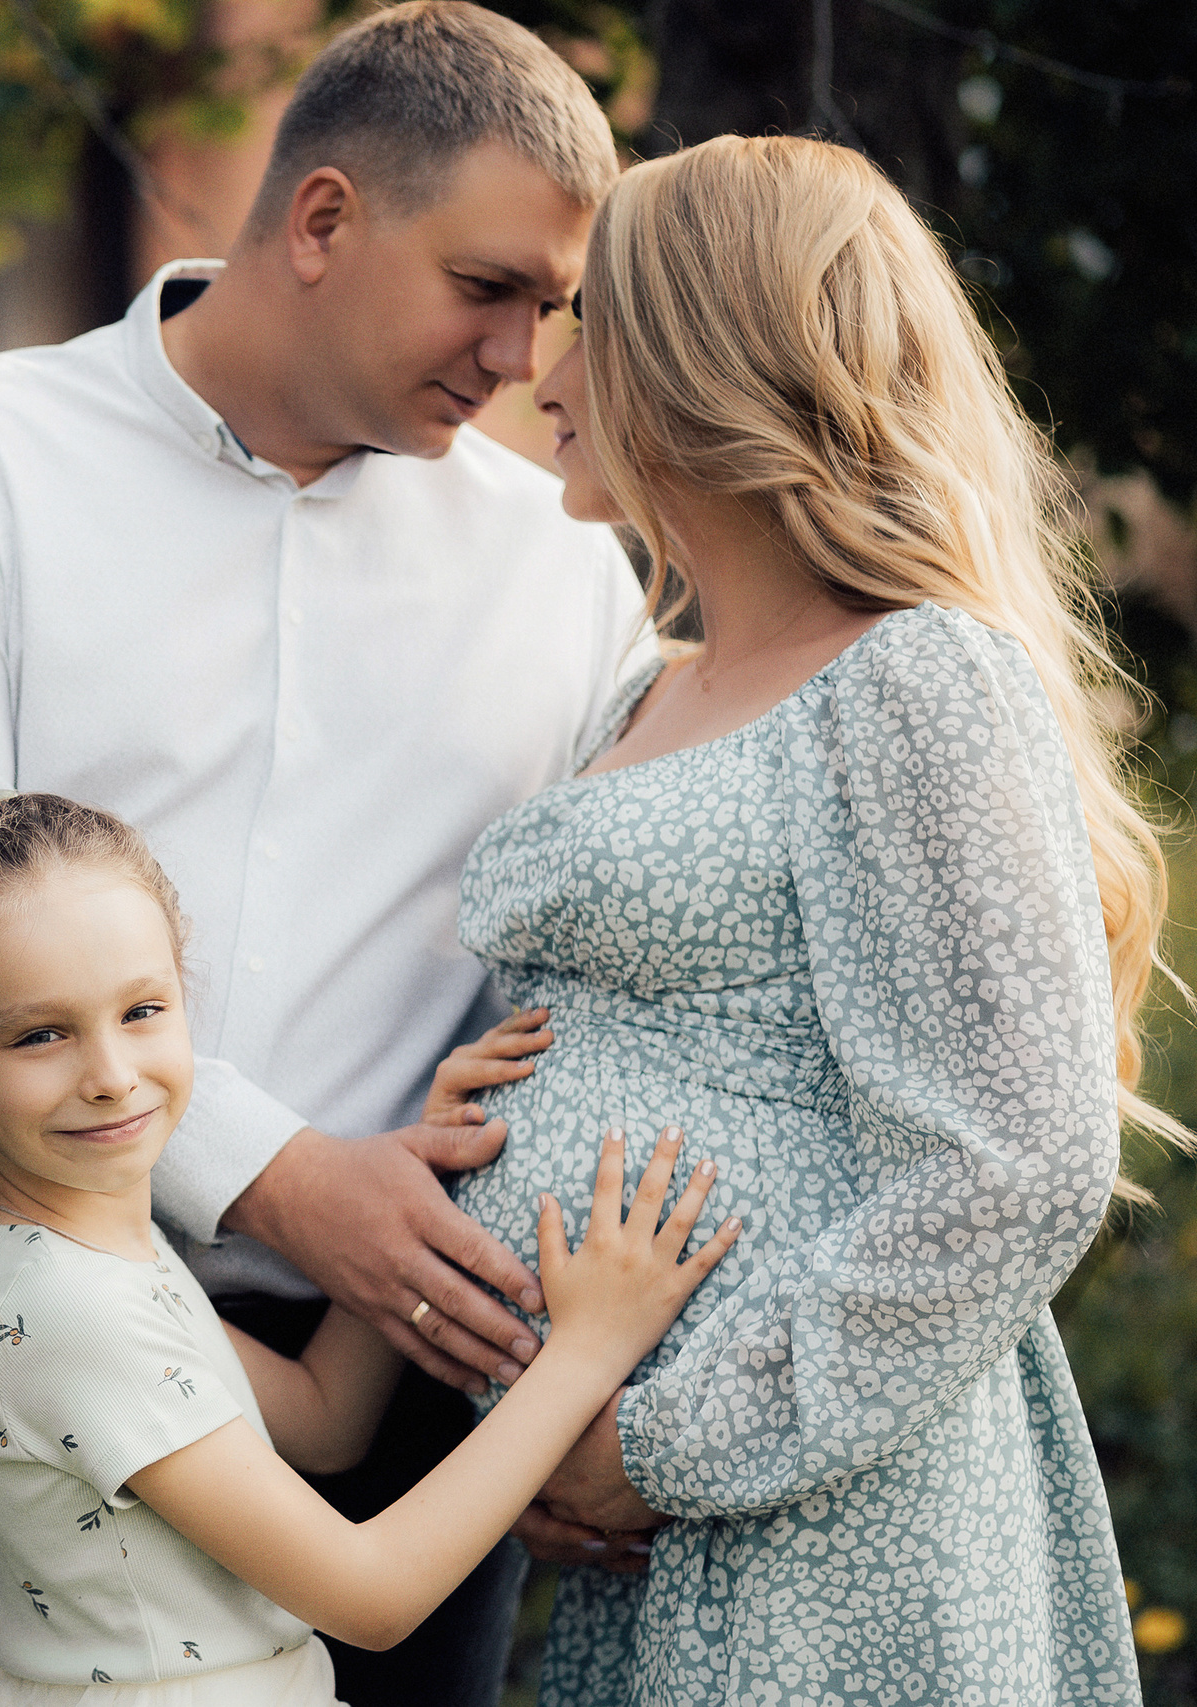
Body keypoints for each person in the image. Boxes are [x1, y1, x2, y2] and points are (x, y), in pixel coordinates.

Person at [0, 6, 650, 1701]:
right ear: (322, 220)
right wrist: (281, 1176)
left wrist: (558, 1366)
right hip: (23, 1354)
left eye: (554, 308)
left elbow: (599, 971)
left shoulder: (562, 574)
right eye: (489, 286)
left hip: (393, 1387)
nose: (523, 355)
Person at [446, 133, 1163, 1704]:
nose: (539, 366)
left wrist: (665, 1441)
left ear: (698, 350)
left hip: (824, 1513)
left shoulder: (914, 678)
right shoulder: (655, 686)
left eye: (589, 319)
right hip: (651, 1513)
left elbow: (1016, 1159)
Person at [0, 792, 740, 1707]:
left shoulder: (79, 1256)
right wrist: (588, 1350)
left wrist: (424, 1176)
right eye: (40, 1034)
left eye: (141, 1011)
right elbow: (372, 1596)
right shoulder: (67, 1312)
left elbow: (325, 1421)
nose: (110, 1076)